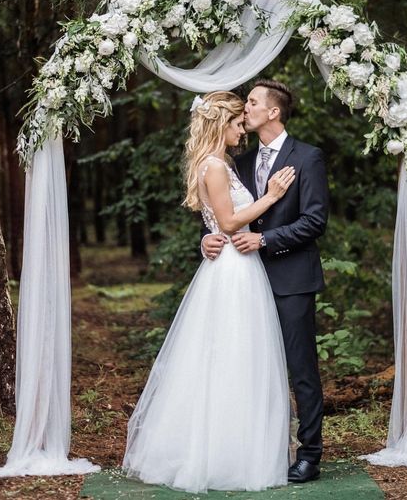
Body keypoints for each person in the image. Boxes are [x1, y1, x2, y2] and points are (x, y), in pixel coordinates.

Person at [123, 90, 296, 493]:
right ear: (222, 124)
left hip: (238, 265)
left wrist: (212, 237)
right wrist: (271, 196)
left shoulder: (222, 165)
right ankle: (220, 455)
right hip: (233, 271)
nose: (243, 130)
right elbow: (230, 222)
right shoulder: (215, 166)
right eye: (238, 124)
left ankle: (237, 448)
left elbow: (219, 226)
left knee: (235, 358)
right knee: (229, 356)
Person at [202, 80, 329, 484]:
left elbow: (314, 220)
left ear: (273, 112)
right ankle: (265, 448)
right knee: (249, 366)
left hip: (291, 278)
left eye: (253, 102)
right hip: (243, 281)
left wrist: (266, 239)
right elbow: (224, 213)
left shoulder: (307, 158)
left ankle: (310, 454)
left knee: (300, 368)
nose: (246, 108)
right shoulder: (236, 162)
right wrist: (205, 238)